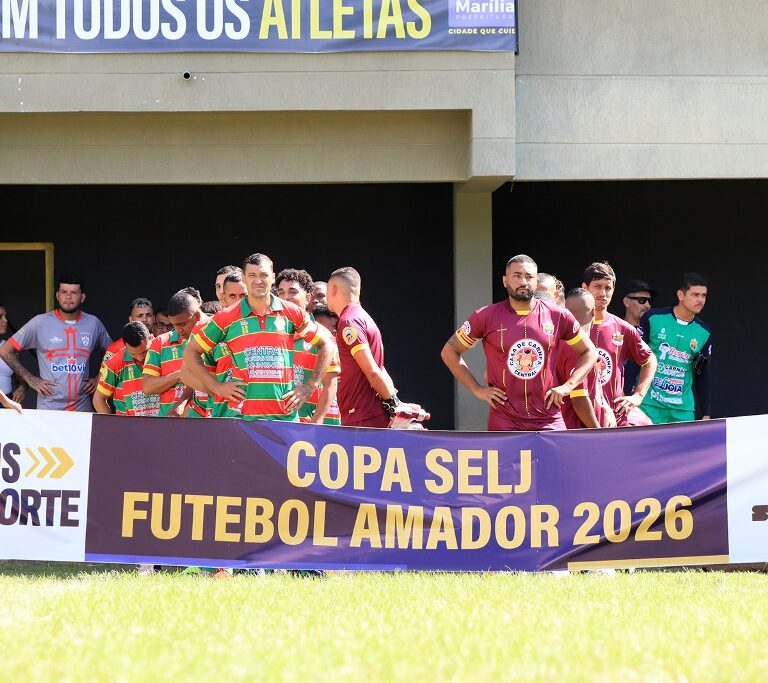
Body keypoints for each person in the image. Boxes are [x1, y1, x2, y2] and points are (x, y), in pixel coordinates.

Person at [440, 254, 597, 431]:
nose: (523, 281)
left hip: (548, 419)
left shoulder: (558, 315)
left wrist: (568, 386)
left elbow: (590, 352)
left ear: (536, 281)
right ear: (505, 281)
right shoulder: (485, 316)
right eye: (517, 276)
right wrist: (477, 389)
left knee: (554, 459)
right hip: (504, 420)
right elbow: (450, 351)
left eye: (529, 276)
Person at [181, 253, 333, 422]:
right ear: (245, 279)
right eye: (252, 275)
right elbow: (191, 352)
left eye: (263, 275)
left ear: (273, 278)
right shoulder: (226, 317)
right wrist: (215, 386)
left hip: (284, 418)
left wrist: (309, 386)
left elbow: (326, 344)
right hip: (241, 418)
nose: (258, 281)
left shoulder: (291, 312)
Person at [0, 273, 111, 411]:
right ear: (57, 295)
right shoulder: (40, 322)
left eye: (74, 293)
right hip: (49, 406)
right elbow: (5, 350)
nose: (68, 296)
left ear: (82, 297)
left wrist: (99, 378)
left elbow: (114, 352)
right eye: (64, 292)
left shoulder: (93, 323)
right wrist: (30, 378)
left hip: (81, 406)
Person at [581, 262, 657, 427]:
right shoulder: (570, 325)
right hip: (577, 416)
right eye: (597, 286)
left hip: (615, 419)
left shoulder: (623, 328)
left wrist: (638, 395)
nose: (603, 293)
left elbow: (650, 360)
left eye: (608, 288)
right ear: (585, 287)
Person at [639, 272, 712, 424]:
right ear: (680, 294)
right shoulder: (653, 318)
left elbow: (702, 373)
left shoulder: (704, 332)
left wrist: (706, 412)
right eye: (695, 295)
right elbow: (635, 359)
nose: (700, 300)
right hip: (648, 404)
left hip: (682, 411)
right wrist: (629, 393)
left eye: (704, 295)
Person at [275, 268, 340, 424]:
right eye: (281, 292)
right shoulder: (269, 332)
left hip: (309, 430)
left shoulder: (322, 335)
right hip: (274, 425)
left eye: (292, 292)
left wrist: (315, 424)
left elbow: (330, 385)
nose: (286, 298)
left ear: (308, 298)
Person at [142, 288, 210, 417]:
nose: (178, 330)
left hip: (213, 415)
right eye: (174, 325)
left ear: (196, 314)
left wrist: (217, 389)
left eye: (182, 324)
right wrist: (180, 377)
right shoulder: (163, 342)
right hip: (178, 417)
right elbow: (148, 387)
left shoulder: (214, 332)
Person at [556, 288, 605, 429]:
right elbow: (579, 398)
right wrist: (598, 431)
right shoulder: (576, 349)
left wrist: (605, 409)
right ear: (594, 312)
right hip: (578, 433)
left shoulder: (561, 342)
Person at [94, 321, 160, 417]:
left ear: (151, 338)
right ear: (125, 345)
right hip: (127, 427)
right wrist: (111, 425)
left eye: (144, 352)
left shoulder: (163, 353)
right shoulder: (116, 361)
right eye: (133, 354)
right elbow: (98, 398)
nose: (140, 358)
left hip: (162, 424)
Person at [206, 272, 247, 417]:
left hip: (259, 414)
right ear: (223, 297)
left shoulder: (267, 321)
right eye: (232, 296)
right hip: (223, 414)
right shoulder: (211, 327)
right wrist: (217, 387)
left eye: (243, 295)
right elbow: (187, 372)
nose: (238, 301)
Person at [621, 279, 658, 396]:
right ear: (627, 302)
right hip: (618, 397)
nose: (647, 305)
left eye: (650, 301)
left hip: (647, 401)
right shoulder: (615, 328)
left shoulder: (656, 333)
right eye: (642, 300)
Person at [312, 305, 342, 425]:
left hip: (338, 423)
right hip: (312, 421)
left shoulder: (349, 352)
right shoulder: (309, 348)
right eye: (333, 327)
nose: (336, 330)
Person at [0, 303, 27, 406]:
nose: (5, 320)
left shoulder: (10, 349)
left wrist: (21, 389)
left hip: (7, 403)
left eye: (5, 316)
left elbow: (21, 378)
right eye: (0, 316)